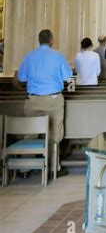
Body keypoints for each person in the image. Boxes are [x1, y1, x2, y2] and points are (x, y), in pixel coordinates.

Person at [18, 29, 72, 178]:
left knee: (30, 133)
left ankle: (24, 169)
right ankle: (53, 168)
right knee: (55, 133)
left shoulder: (29, 56)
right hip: (52, 100)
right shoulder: (58, 56)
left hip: (33, 99)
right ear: (52, 40)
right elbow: (68, 76)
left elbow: (22, 77)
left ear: (38, 40)